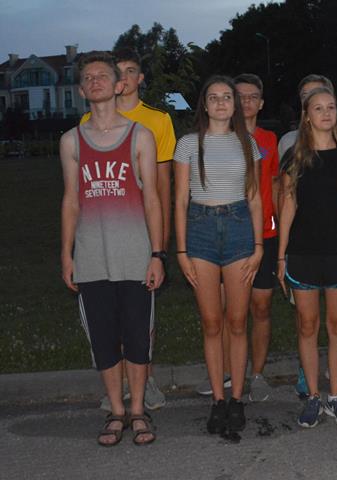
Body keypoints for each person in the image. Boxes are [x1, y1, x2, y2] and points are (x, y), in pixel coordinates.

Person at [60, 51, 164, 446]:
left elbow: (152, 198)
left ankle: (138, 410)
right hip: (91, 256)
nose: (95, 81)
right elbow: (71, 200)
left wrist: (157, 254)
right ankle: (116, 412)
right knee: (103, 339)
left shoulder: (140, 135)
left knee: (137, 336)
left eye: (103, 75)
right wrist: (66, 253)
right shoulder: (71, 140)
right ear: (81, 89)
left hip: (135, 254)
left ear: (119, 84)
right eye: (88, 77)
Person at [81, 47, 176, 411]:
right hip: (102, 235)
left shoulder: (156, 121)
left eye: (130, 70)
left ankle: (144, 380)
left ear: (138, 78)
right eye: (117, 71)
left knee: (140, 320)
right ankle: (116, 387)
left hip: (141, 230)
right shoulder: (88, 122)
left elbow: (161, 186)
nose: (122, 77)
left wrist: (160, 242)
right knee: (108, 318)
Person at [174, 75, 263, 434]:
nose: (222, 102)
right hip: (201, 230)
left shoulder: (247, 143)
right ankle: (217, 400)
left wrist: (259, 246)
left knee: (238, 322)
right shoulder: (188, 144)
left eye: (227, 97)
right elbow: (180, 200)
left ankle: (237, 399)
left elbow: (254, 197)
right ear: (205, 105)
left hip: (240, 228)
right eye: (214, 97)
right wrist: (181, 251)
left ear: (235, 104)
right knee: (212, 322)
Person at [278, 86, 337, 428]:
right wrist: (281, 256)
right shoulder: (295, 157)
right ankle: (313, 397)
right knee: (307, 325)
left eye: (331, 107)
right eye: (318, 108)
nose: (326, 113)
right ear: (307, 116)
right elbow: (287, 207)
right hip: (303, 253)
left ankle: (335, 396)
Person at [194, 73, 279, 402]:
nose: (246, 102)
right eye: (239, 96)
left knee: (260, 306)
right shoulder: (212, 140)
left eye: (252, 96)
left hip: (264, 232)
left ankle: (257, 374)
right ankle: (227, 373)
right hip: (226, 234)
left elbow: (275, 186)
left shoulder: (267, 140)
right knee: (226, 310)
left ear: (261, 102)